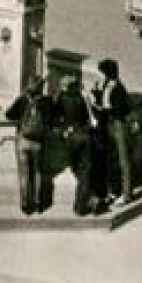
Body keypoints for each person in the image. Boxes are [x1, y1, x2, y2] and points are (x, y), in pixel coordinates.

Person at [3, 75, 53, 215]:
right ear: (41, 87)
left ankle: (25, 205)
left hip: (23, 140)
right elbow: (51, 120)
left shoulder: (23, 98)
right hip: (39, 142)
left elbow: (8, 115)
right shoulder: (47, 101)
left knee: (24, 174)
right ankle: (38, 204)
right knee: (37, 172)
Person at [93, 59, 136, 207]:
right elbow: (105, 101)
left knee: (123, 160)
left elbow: (118, 110)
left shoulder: (119, 88)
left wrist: (103, 110)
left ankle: (127, 194)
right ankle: (114, 190)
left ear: (109, 73)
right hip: (108, 125)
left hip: (118, 125)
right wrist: (96, 94)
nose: (102, 75)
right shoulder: (106, 84)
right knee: (112, 159)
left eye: (103, 72)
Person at [55, 74, 96, 216]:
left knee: (76, 169)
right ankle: (81, 204)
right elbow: (87, 117)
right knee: (84, 170)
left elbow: (56, 117)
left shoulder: (61, 98)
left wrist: (62, 130)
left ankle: (85, 198)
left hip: (70, 137)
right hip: (84, 135)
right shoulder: (81, 98)